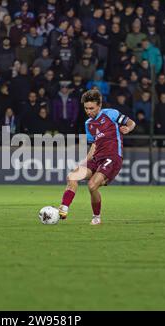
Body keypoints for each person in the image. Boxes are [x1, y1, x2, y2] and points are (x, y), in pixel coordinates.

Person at [58, 89, 136, 225]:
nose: (89, 111)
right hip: (96, 159)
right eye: (86, 108)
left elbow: (131, 123)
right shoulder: (88, 124)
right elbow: (94, 145)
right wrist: (83, 162)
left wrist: (128, 129)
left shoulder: (111, 114)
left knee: (92, 185)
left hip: (112, 157)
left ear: (99, 106)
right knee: (72, 176)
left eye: (92, 108)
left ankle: (96, 217)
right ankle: (63, 210)